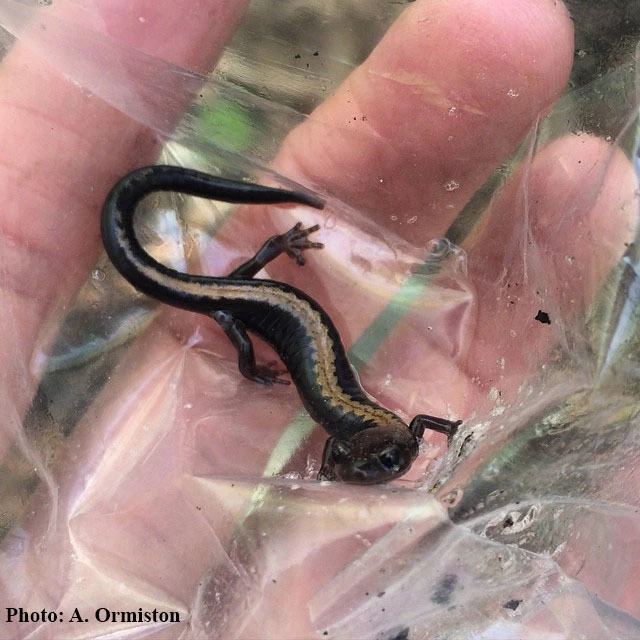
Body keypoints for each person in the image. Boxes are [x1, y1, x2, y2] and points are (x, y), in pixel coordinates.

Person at [0, 0, 634, 637]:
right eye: (393, 459)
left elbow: (387, 442)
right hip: (241, 305)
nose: (397, 458)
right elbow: (400, 434)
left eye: (387, 461)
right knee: (231, 310)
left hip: (249, 300)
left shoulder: (379, 427)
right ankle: (260, 253)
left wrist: (406, 445)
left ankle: (264, 249)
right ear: (381, 423)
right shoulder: (371, 422)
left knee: (236, 303)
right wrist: (250, 356)